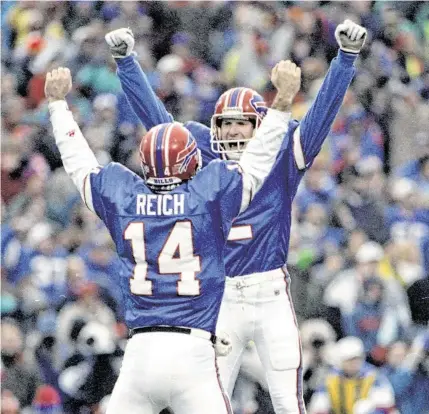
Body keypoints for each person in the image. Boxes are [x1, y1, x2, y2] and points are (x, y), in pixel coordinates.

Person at [105, 18, 367, 413]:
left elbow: (321, 116)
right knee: (213, 400)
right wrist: (127, 64)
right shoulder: (203, 161)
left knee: (287, 399)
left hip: (269, 293)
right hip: (220, 297)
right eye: (225, 125)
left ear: (261, 125)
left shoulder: (282, 152)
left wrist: (345, 59)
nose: (231, 133)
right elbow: (159, 125)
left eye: (241, 124)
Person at [44, 61, 300, 413]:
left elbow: (78, 163)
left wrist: (58, 106)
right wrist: (282, 102)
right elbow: (257, 161)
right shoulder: (208, 196)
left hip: (139, 355)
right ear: (192, 162)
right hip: (192, 355)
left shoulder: (124, 197)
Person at [308, 336, 397, 414]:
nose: (354, 363)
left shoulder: (373, 376)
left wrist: (370, 407)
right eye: (349, 360)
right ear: (341, 361)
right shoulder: (331, 379)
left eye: (357, 359)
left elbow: (387, 406)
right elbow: (318, 407)